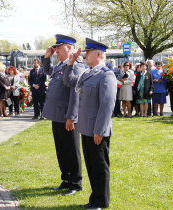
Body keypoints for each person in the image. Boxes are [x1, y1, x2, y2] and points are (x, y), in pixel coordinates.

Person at [63, 38, 117, 209]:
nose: (85, 55)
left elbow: (107, 105)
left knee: (100, 166)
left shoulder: (106, 75)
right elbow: (68, 81)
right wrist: (71, 63)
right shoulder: (87, 72)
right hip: (86, 128)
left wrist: (99, 130)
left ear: (99, 54)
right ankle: (94, 198)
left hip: (97, 129)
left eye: (89, 52)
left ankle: (101, 201)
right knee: (91, 166)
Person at [41, 34, 84, 196]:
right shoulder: (61, 65)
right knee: (61, 149)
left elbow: (76, 94)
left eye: (59, 48)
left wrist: (71, 117)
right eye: (56, 48)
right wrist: (47, 58)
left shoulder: (76, 66)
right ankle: (66, 179)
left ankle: (75, 182)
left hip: (67, 116)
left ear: (70, 48)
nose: (56, 51)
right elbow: (48, 71)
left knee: (71, 150)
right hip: (57, 115)